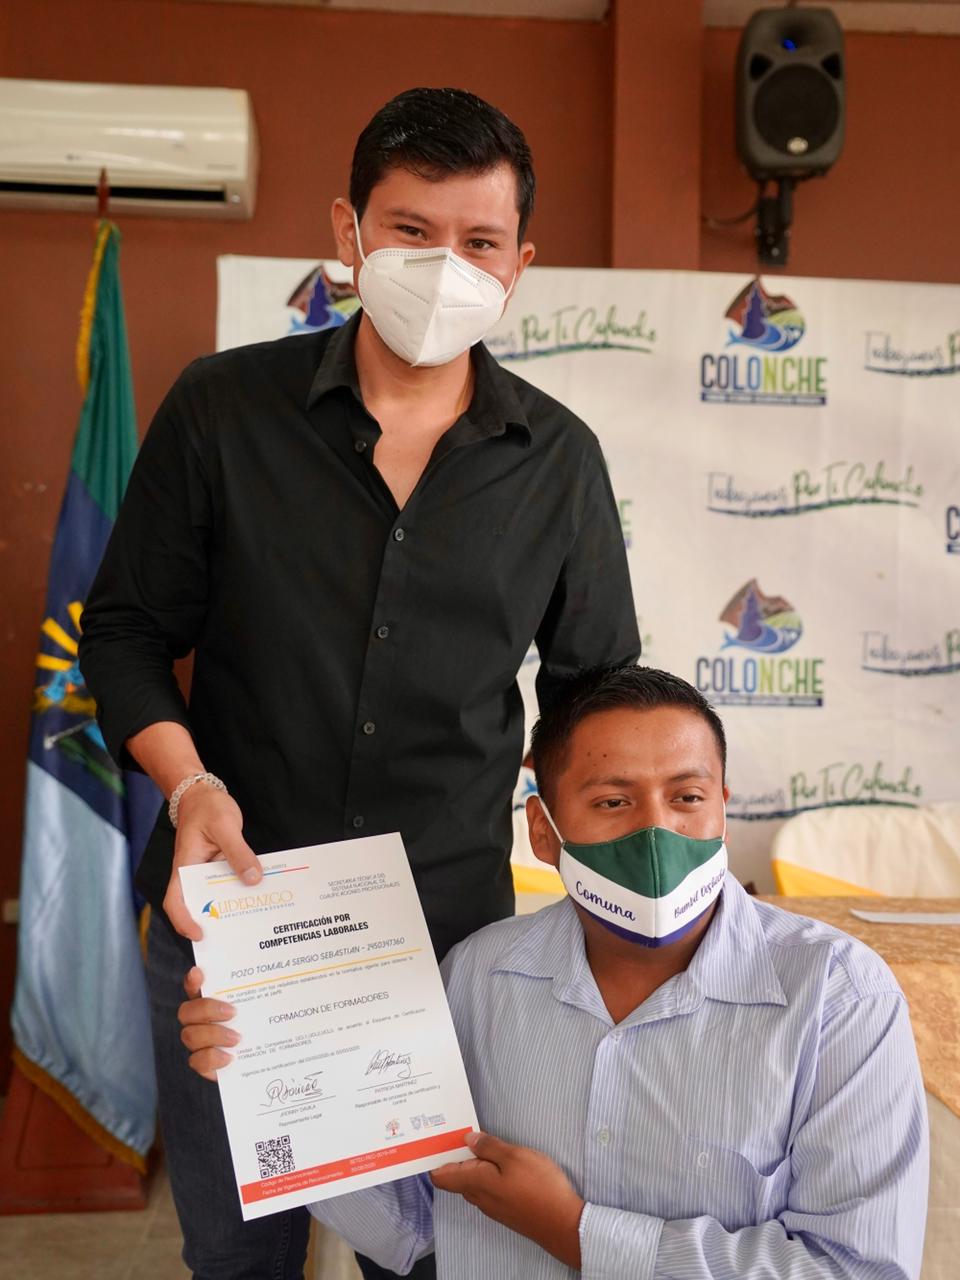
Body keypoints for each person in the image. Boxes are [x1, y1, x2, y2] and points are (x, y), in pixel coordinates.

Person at [78, 87, 640, 1280]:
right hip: (234, 920)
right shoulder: (222, 410)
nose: (445, 268)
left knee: (434, 1257)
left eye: (480, 241)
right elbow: (124, 630)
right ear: (350, 231)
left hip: (448, 945)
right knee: (238, 1258)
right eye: (411, 230)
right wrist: (188, 784)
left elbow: (597, 702)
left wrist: (614, 858)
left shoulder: (560, 463)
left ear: (521, 263)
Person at [181, 665, 929, 1279]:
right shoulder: (477, 978)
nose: (656, 832)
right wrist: (271, 1071)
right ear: (543, 830)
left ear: (723, 810)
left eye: (687, 797)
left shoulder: (839, 998)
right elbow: (408, 1224)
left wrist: (575, 1232)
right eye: (612, 801)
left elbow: (857, 1270)